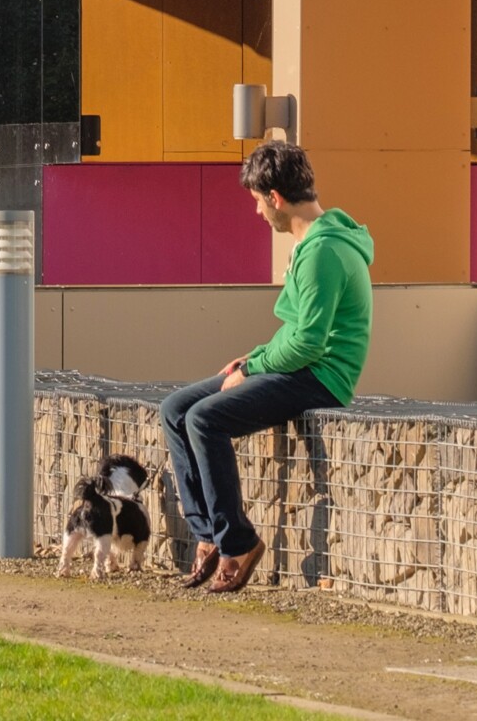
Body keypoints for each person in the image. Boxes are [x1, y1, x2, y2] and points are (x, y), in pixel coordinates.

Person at [159, 141, 374, 594]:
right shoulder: (315, 242)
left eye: (258, 201)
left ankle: (238, 543)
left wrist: (254, 366)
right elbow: (296, 330)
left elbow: (309, 344)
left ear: (275, 197)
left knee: (204, 419)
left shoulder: (322, 252)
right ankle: (208, 534)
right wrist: (251, 359)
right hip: (296, 367)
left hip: (320, 378)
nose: (257, 212)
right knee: (175, 409)